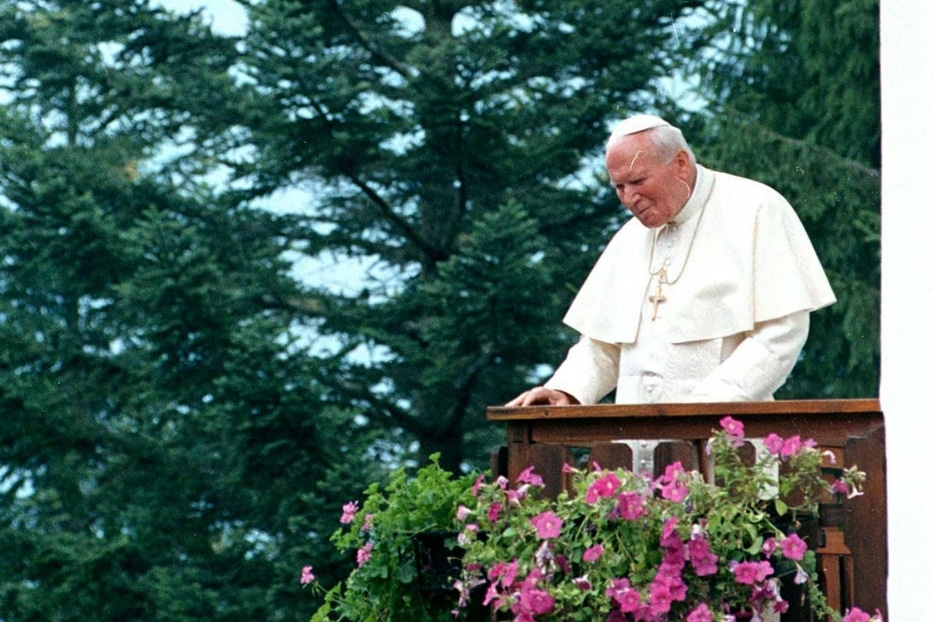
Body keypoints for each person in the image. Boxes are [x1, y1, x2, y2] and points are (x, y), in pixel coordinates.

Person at [507, 114, 836, 407]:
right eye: (619, 187)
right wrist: (567, 390)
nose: (628, 199)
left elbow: (780, 333)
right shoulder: (629, 238)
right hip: (637, 445)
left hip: (725, 436)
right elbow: (604, 344)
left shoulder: (755, 208)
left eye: (637, 181)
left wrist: (705, 406)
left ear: (680, 162)